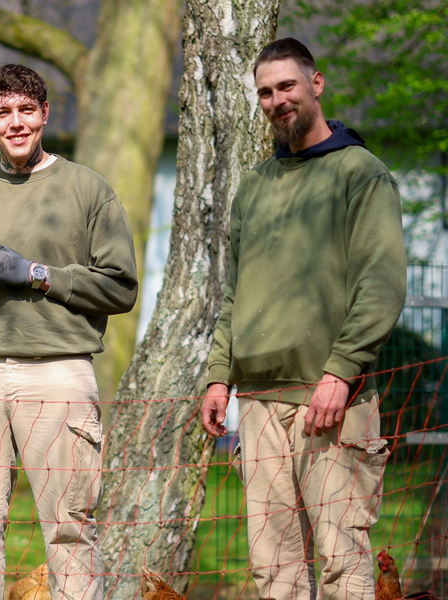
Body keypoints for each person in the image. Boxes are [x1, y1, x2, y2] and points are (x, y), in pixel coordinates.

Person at [201, 38, 406, 599]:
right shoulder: (254, 187)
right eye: (265, 92)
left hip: (331, 400)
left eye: (286, 86)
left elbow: (382, 285)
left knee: (343, 562)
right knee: (275, 572)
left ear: (315, 85)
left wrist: (341, 372)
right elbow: (233, 296)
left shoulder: (361, 174)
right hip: (260, 407)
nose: (276, 100)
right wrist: (220, 375)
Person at [0, 64, 138, 599]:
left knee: (70, 530)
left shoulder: (89, 190)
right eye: (4, 113)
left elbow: (121, 288)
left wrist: (35, 274)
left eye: (27, 110)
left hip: (59, 372)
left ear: (45, 114)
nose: (16, 122)